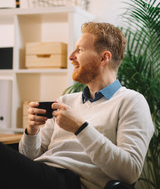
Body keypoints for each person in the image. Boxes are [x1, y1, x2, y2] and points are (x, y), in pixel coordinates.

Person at [0, 22, 154, 189]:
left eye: (79, 50)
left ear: (104, 58)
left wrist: (80, 128)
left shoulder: (132, 102)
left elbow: (130, 172)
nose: (71, 56)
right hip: (42, 172)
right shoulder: (65, 101)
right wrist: (32, 131)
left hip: (72, 181)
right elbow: (28, 157)